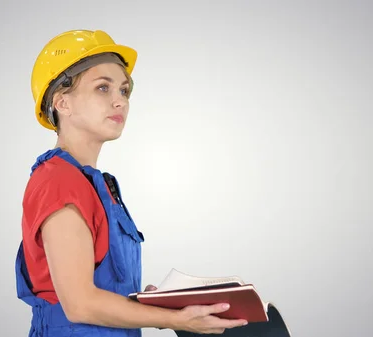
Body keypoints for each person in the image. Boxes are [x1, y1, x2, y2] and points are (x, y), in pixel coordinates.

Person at [14, 29, 248, 336]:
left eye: (124, 91)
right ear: (62, 103)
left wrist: (153, 304)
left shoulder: (96, 186)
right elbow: (80, 304)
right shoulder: (58, 181)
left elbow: (102, 289)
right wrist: (177, 320)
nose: (119, 102)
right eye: (102, 88)